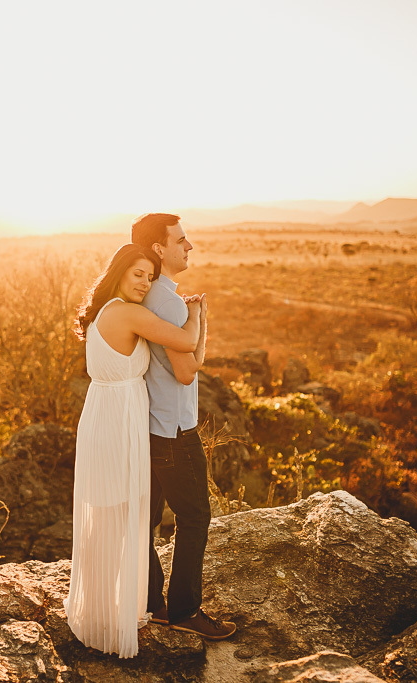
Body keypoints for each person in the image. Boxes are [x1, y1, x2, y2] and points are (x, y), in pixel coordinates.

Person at [64, 243, 204, 658]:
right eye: (138, 274)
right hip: (118, 419)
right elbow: (183, 341)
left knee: (114, 514)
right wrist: (196, 312)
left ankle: (115, 606)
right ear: (119, 274)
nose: (145, 282)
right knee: (124, 513)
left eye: (149, 275)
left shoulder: (107, 310)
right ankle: (119, 612)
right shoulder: (127, 312)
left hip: (106, 414)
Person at [131, 213, 237, 640]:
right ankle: (184, 611)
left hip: (151, 427)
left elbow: (194, 358)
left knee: (147, 521)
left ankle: (154, 603)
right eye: (182, 240)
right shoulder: (170, 302)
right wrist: (198, 317)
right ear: (160, 248)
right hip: (175, 430)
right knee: (194, 517)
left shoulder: (151, 295)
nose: (189, 246)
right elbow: (188, 372)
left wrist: (199, 318)